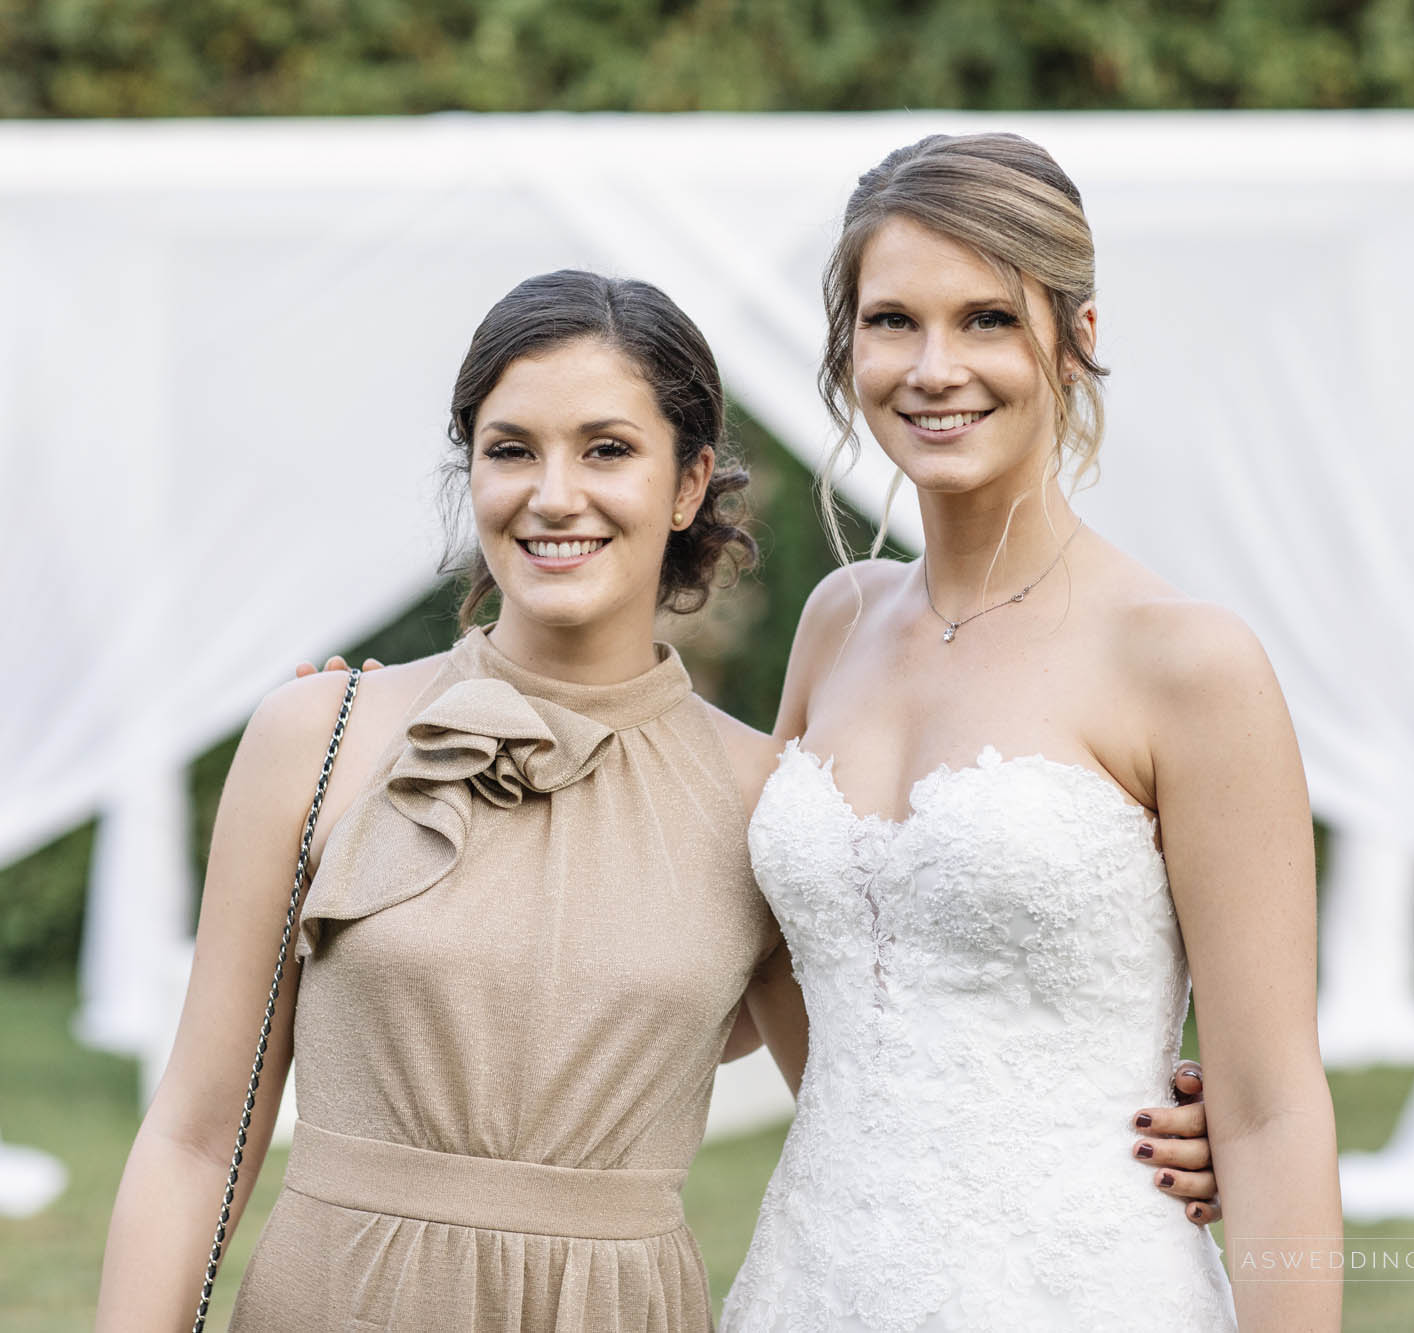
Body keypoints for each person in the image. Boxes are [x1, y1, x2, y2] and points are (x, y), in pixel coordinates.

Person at [100, 268, 1221, 1333]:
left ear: (688, 483)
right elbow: (198, 1133)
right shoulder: (318, 733)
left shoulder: (763, 801)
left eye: (606, 450)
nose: (553, 494)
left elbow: (883, 1097)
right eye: (509, 449)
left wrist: (1157, 1124)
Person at [718, 134, 1342, 1332]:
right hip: (815, 1282)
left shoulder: (1186, 662)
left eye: (987, 319)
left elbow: (1267, 1108)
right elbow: (764, 972)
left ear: (1077, 334)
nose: (933, 366)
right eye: (891, 320)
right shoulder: (834, 621)